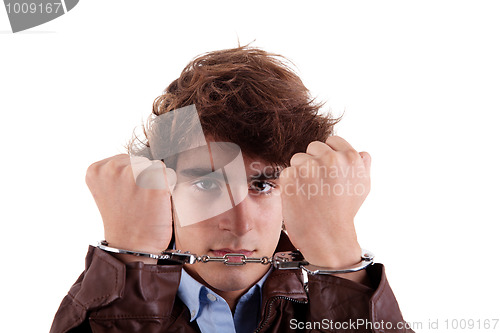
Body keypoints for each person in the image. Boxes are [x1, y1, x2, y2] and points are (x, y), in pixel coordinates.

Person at [50, 46, 414, 333]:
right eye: (208, 183)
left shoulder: (325, 304)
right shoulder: (97, 307)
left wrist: (339, 256)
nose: (240, 225)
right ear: (162, 191)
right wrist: (130, 269)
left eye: (263, 184)